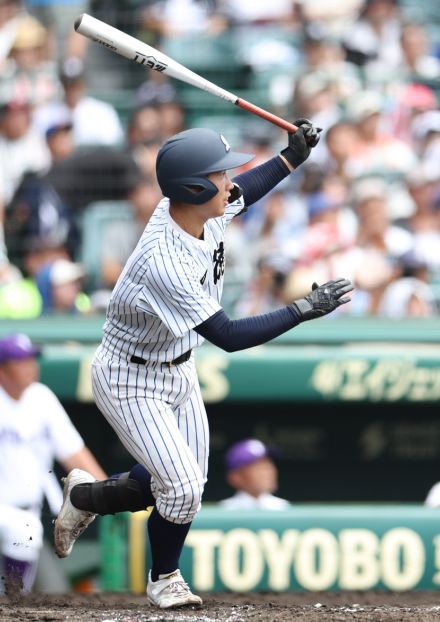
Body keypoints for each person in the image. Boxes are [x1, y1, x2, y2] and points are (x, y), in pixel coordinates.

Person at [53, 121, 354, 609]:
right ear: (193, 188)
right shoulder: (164, 260)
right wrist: (304, 308)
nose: (230, 181)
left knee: (177, 483)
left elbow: (245, 192)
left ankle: (85, 499)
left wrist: (289, 158)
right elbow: (230, 337)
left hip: (179, 366)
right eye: (219, 175)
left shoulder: (198, 211)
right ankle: (165, 579)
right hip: (131, 377)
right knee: (183, 486)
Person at [0, 333, 106, 595]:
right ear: (2, 370)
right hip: (7, 514)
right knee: (21, 530)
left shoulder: (41, 397)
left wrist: (109, 491)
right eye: (20, 361)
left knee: (55, 594)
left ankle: (12, 602)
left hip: (30, 515)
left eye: (31, 360)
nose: (30, 366)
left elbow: (74, 454)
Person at [219, 438, 290, 510]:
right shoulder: (224, 510)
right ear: (236, 477)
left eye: (268, 464)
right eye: (259, 467)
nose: (269, 471)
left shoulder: (284, 508)